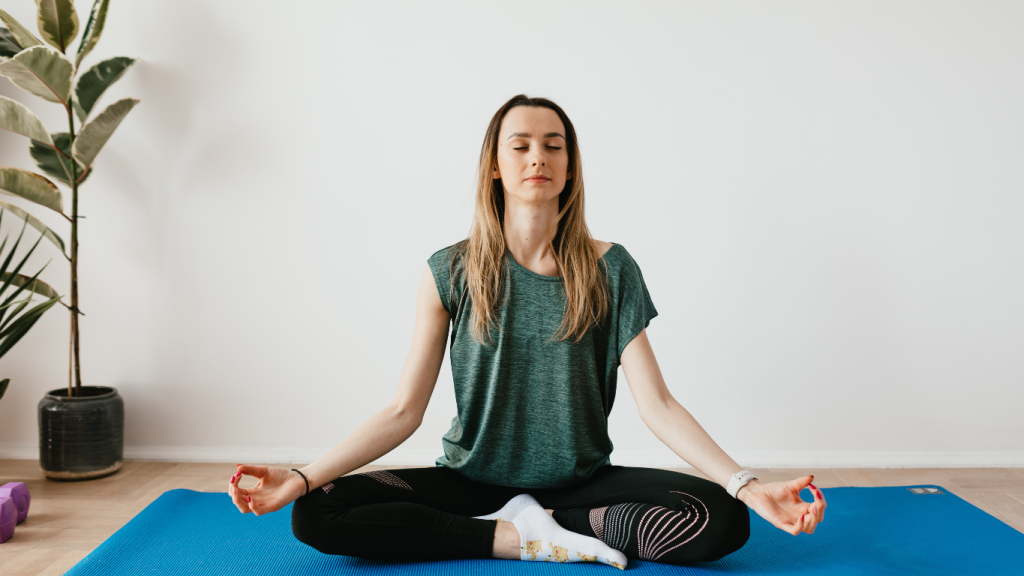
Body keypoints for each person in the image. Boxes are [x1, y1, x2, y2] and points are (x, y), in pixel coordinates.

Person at [228, 94, 827, 568]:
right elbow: (402, 411)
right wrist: (304, 474)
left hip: (582, 484)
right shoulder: (450, 270)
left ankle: (554, 528)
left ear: (569, 166)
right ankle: (518, 538)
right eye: (520, 146)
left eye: (553, 145)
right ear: (496, 165)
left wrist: (747, 485)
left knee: (723, 519)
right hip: (469, 483)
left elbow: (660, 405)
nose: (537, 157)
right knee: (316, 511)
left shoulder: (610, 269)